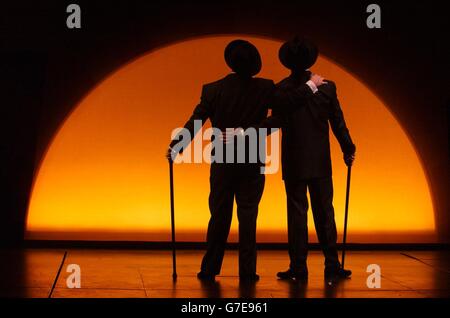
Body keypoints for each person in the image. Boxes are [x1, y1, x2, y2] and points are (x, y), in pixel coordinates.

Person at [166, 40, 274, 281]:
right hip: (251, 161)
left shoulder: (213, 89)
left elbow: (196, 121)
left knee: (219, 216)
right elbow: (280, 119)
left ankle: (209, 269)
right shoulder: (265, 88)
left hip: (223, 162)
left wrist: (177, 146)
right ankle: (247, 272)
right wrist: (249, 131)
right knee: (248, 217)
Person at [266, 37, 356, 281]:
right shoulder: (327, 87)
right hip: (320, 162)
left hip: (294, 162)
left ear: (287, 62)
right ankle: (332, 265)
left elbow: (277, 118)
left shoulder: (281, 88)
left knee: (297, 215)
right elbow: (338, 122)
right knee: (325, 213)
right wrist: (348, 147)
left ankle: (298, 268)